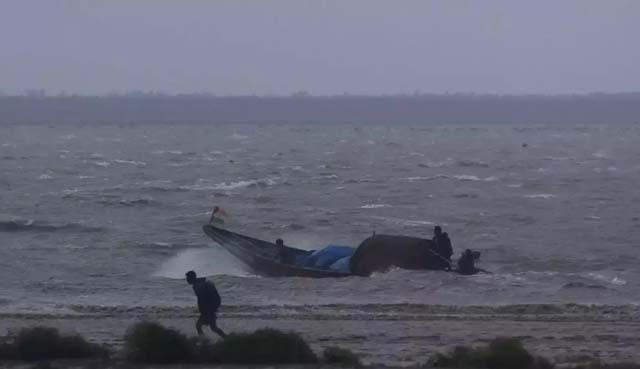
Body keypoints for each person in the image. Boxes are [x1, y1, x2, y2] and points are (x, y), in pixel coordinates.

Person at [185, 270, 227, 338]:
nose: (186, 280)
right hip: (206, 310)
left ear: (191, 278)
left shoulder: (200, 285)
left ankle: (204, 341)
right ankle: (226, 338)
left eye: (187, 278)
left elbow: (208, 297)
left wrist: (212, 308)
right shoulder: (196, 285)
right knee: (210, 327)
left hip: (209, 310)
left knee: (209, 327)